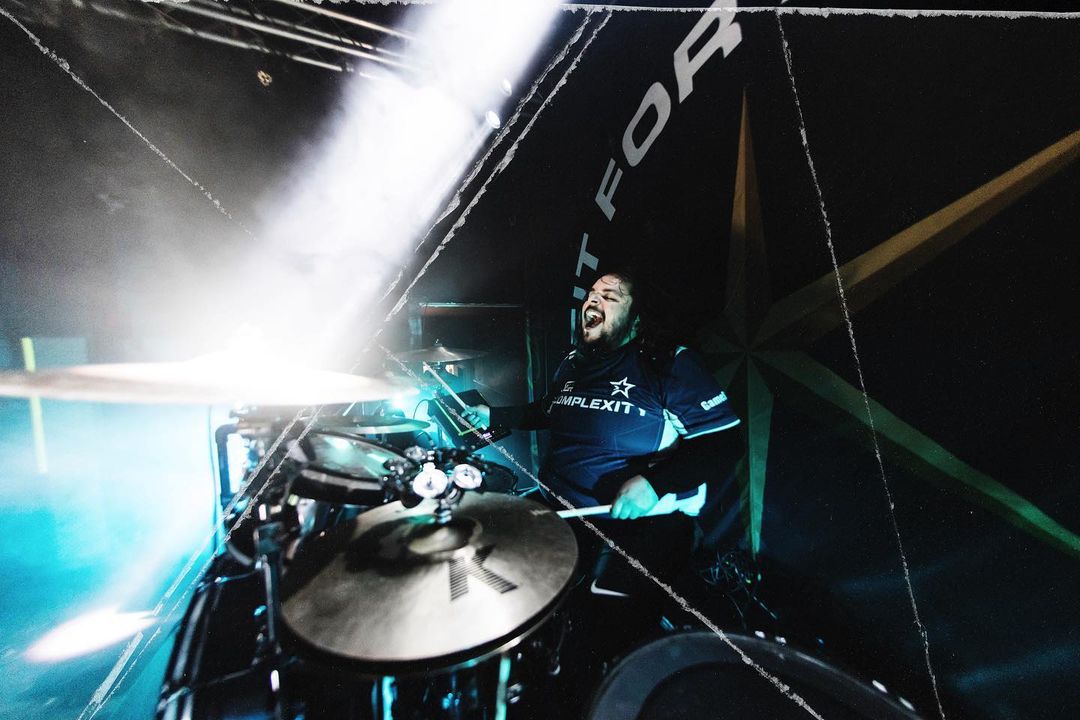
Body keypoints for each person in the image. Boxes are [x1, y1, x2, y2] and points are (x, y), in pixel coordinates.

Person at [463, 266, 743, 606]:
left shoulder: (669, 363)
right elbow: (549, 410)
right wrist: (493, 415)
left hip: (632, 523)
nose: (593, 301)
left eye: (609, 297)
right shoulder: (574, 362)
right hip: (558, 506)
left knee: (598, 612)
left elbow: (723, 443)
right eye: (592, 295)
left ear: (636, 320)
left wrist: (656, 484)